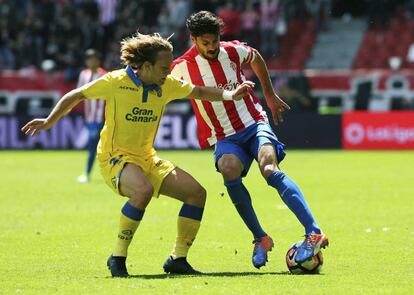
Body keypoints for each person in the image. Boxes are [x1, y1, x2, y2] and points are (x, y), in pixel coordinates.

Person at [22, 32, 254, 277]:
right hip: (115, 158)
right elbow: (76, 95)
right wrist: (49, 121)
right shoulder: (115, 81)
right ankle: (118, 257)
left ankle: (177, 259)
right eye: (165, 67)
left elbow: (199, 92)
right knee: (142, 191)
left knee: (196, 194)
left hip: (147, 158)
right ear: (146, 66)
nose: (169, 71)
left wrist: (230, 94)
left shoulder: (166, 84)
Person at [171, 11, 329, 269]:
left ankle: (313, 232)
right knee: (228, 169)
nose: (211, 47)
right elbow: (160, 86)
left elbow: (255, 57)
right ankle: (260, 238)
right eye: (205, 43)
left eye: (214, 41)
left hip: (253, 122)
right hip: (224, 135)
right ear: (194, 39)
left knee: (269, 169)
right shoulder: (181, 67)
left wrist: (269, 93)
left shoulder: (232, 51)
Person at [76, 49, 106, 184]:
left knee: (94, 144)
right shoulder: (83, 75)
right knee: (95, 146)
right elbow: (77, 93)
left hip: (102, 118)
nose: (91, 61)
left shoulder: (104, 75)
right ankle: (87, 174)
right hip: (89, 118)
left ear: (98, 61)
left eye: (94, 59)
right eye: (89, 59)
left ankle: (86, 174)